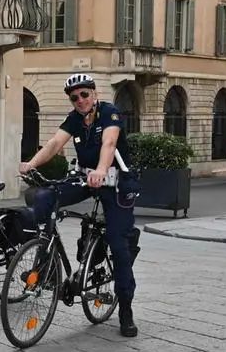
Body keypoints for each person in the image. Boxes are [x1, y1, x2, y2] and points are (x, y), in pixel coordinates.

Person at [18, 73, 139, 337]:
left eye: (85, 94)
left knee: (118, 244)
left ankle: (126, 308)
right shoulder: (75, 118)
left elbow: (109, 143)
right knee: (45, 197)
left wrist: (100, 169)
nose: (80, 100)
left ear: (94, 94)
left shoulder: (110, 113)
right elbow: (54, 144)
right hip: (86, 177)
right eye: (74, 97)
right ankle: (44, 261)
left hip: (116, 182)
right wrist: (31, 163)